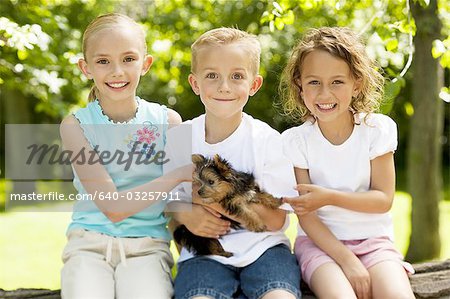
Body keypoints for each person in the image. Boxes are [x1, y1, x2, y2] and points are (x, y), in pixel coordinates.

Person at [59, 13, 192, 299]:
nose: (117, 71)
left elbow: (181, 204)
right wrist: (176, 174)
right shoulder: (75, 126)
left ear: (146, 64)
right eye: (103, 61)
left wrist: (194, 264)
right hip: (89, 246)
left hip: (147, 247)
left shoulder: (169, 122)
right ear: (86, 68)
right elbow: (113, 207)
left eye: (128, 59)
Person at [164, 28, 301, 299]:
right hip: (204, 254)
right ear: (195, 83)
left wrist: (211, 201)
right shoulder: (179, 138)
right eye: (212, 75)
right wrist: (185, 214)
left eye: (236, 76)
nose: (224, 86)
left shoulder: (268, 141)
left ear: (254, 85)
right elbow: (167, 202)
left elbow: (275, 219)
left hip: (265, 249)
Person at [280, 27, 415, 299]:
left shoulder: (376, 129)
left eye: (337, 82)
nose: (325, 94)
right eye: (314, 82)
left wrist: (328, 197)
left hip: (374, 243)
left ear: (357, 84)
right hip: (320, 246)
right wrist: (348, 261)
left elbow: (383, 200)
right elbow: (307, 216)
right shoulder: (296, 140)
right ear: (299, 85)